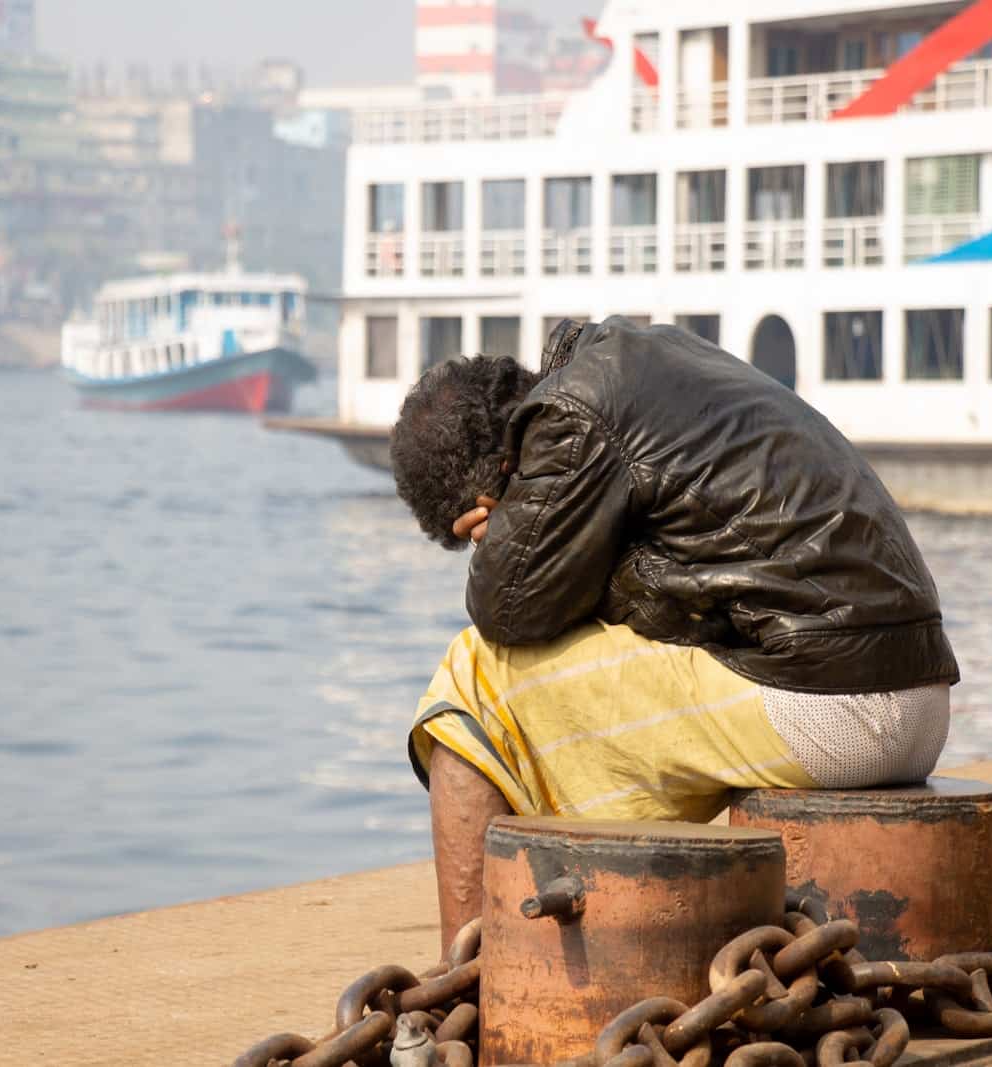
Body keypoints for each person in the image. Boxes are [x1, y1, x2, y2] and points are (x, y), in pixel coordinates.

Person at [389, 318, 959, 952]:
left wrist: (500, 543)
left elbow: (504, 607)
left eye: (474, 530)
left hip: (839, 711)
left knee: (473, 681)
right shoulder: (641, 361)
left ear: (500, 474)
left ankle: (467, 984)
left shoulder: (570, 415)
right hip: (906, 694)